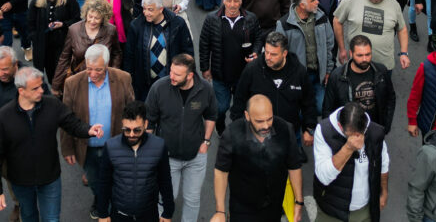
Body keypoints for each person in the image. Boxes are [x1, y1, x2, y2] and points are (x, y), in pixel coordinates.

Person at [0, 66, 105, 222]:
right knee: (29, 217)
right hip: (20, 181)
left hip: (50, 178)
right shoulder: (4, 117)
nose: (42, 90)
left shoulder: (52, 105)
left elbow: (72, 123)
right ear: (21, 91)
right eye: (35, 88)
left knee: (52, 219)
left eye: (42, 85)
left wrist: (89, 130)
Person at [60, 44, 134, 219]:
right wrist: (67, 149)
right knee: (95, 181)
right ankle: (101, 199)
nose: (92, 74)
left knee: (117, 180)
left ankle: (110, 206)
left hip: (116, 145)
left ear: (107, 65)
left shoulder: (123, 79)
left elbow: (132, 112)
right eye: (89, 69)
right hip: (88, 147)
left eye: (98, 70)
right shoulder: (72, 84)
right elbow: (66, 119)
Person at [145, 54, 217, 222]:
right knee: (166, 197)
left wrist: (206, 142)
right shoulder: (159, 88)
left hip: (196, 156)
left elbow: (211, 116)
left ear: (190, 75)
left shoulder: (205, 89)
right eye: (171, 71)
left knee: (192, 199)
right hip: (167, 156)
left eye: (177, 74)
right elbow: (149, 121)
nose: (171, 76)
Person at [214, 93, 305, 222]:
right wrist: (220, 211)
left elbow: (294, 166)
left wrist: (299, 202)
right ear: (247, 116)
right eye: (259, 121)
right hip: (242, 209)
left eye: (269, 119)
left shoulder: (285, 129)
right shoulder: (232, 133)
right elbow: (221, 172)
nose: (266, 125)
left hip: (274, 207)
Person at [199, 0, 262, 133]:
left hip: (244, 74)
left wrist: (255, 52)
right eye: (229, 1)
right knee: (221, 108)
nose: (232, 5)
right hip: (220, 74)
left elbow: (259, 38)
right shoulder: (212, 19)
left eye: (235, 1)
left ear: (240, 2)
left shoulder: (251, 19)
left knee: (240, 109)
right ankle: (220, 125)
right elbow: (204, 44)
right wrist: (204, 68)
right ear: (223, 1)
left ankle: (237, 134)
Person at [313, 101, 389, 222]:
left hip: (364, 211)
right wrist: (348, 148)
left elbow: (383, 164)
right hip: (332, 211)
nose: (357, 139)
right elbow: (323, 176)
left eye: (360, 134)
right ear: (339, 125)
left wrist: (384, 192)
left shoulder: (375, 132)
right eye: (351, 135)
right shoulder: (324, 131)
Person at [277, 0, 336, 115]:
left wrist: (328, 70)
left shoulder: (321, 17)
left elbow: (330, 44)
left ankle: (313, 131)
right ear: (302, 5)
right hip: (298, 78)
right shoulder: (284, 24)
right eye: (313, 0)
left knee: (321, 108)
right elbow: (280, 54)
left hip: (319, 75)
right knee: (299, 112)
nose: (318, 2)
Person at [334, 0, 410, 72]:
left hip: (383, 65)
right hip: (356, 63)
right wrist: (342, 49)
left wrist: (404, 53)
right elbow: (337, 21)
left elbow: (402, 29)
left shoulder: (393, 4)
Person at [126, 0, 195, 99]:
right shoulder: (136, 26)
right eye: (144, 9)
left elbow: (187, 51)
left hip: (172, 83)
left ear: (160, 9)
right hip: (145, 86)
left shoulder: (177, 24)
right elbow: (129, 56)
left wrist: (187, 76)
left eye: (150, 9)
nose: (146, 13)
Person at [324, 35, 396, 132]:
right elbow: (328, 108)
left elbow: (390, 98)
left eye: (368, 54)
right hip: (349, 133)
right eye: (360, 55)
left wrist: (385, 126)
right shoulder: (337, 76)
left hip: (374, 131)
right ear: (351, 53)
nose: (364, 59)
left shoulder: (381, 71)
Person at [53, 0, 122, 94]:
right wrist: (56, 85)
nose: (92, 21)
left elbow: (116, 53)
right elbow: (64, 58)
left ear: (103, 18)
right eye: (90, 16)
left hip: (102, 78)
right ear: (86, 14)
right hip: (80, 79)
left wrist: (113, 72)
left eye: (97, 18)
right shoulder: (74, 30)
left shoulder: (111, 30)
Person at [28, 0, 80, 81]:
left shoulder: (68, 0)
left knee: (64, 72)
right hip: (45, 45)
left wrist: (63, 24)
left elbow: (77, 20)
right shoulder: (35, 3)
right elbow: (30, 25)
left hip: (64, 43)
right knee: (50, 73)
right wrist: (36, 39)